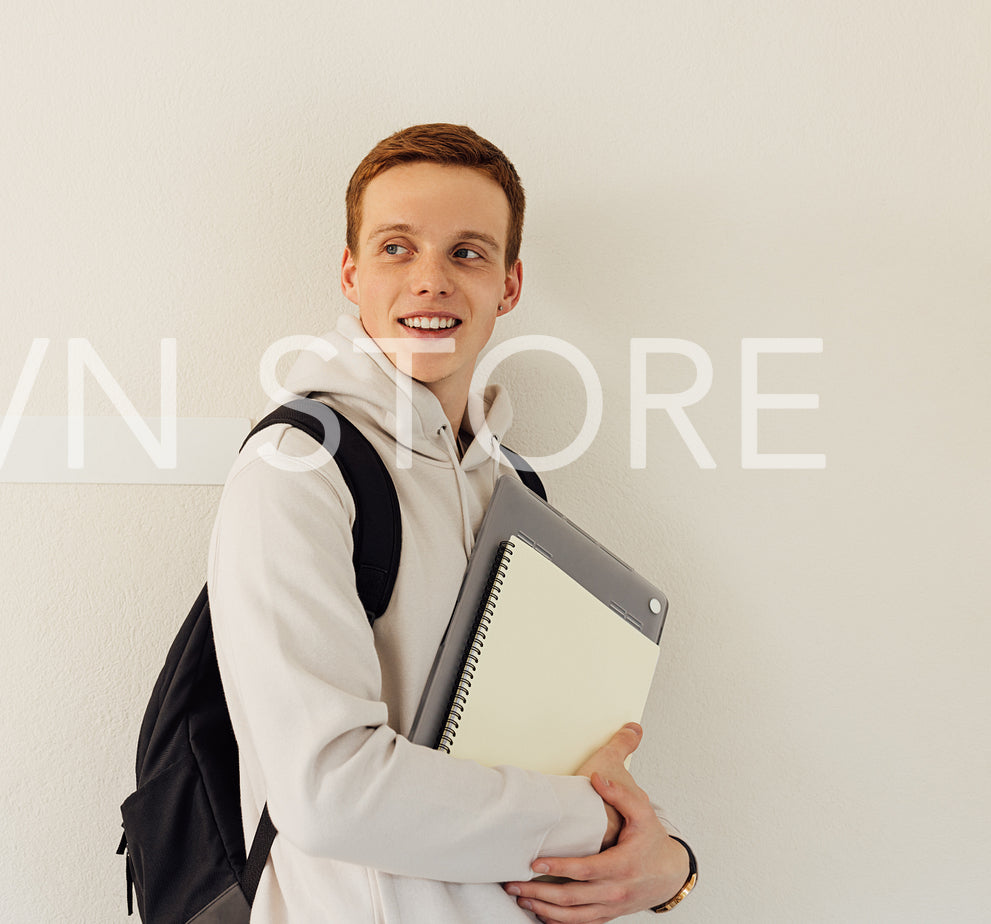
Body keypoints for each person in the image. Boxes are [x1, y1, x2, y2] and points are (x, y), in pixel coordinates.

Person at [205, 123, 695, 923]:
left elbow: (545, 753)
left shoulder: (516, 491)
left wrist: (661, 863)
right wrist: (594, 821)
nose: (429, 280)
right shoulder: (299, 469)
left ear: (508, 285)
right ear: (349, 273)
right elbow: (328, 792)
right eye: (397, 248)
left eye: (466, 252)